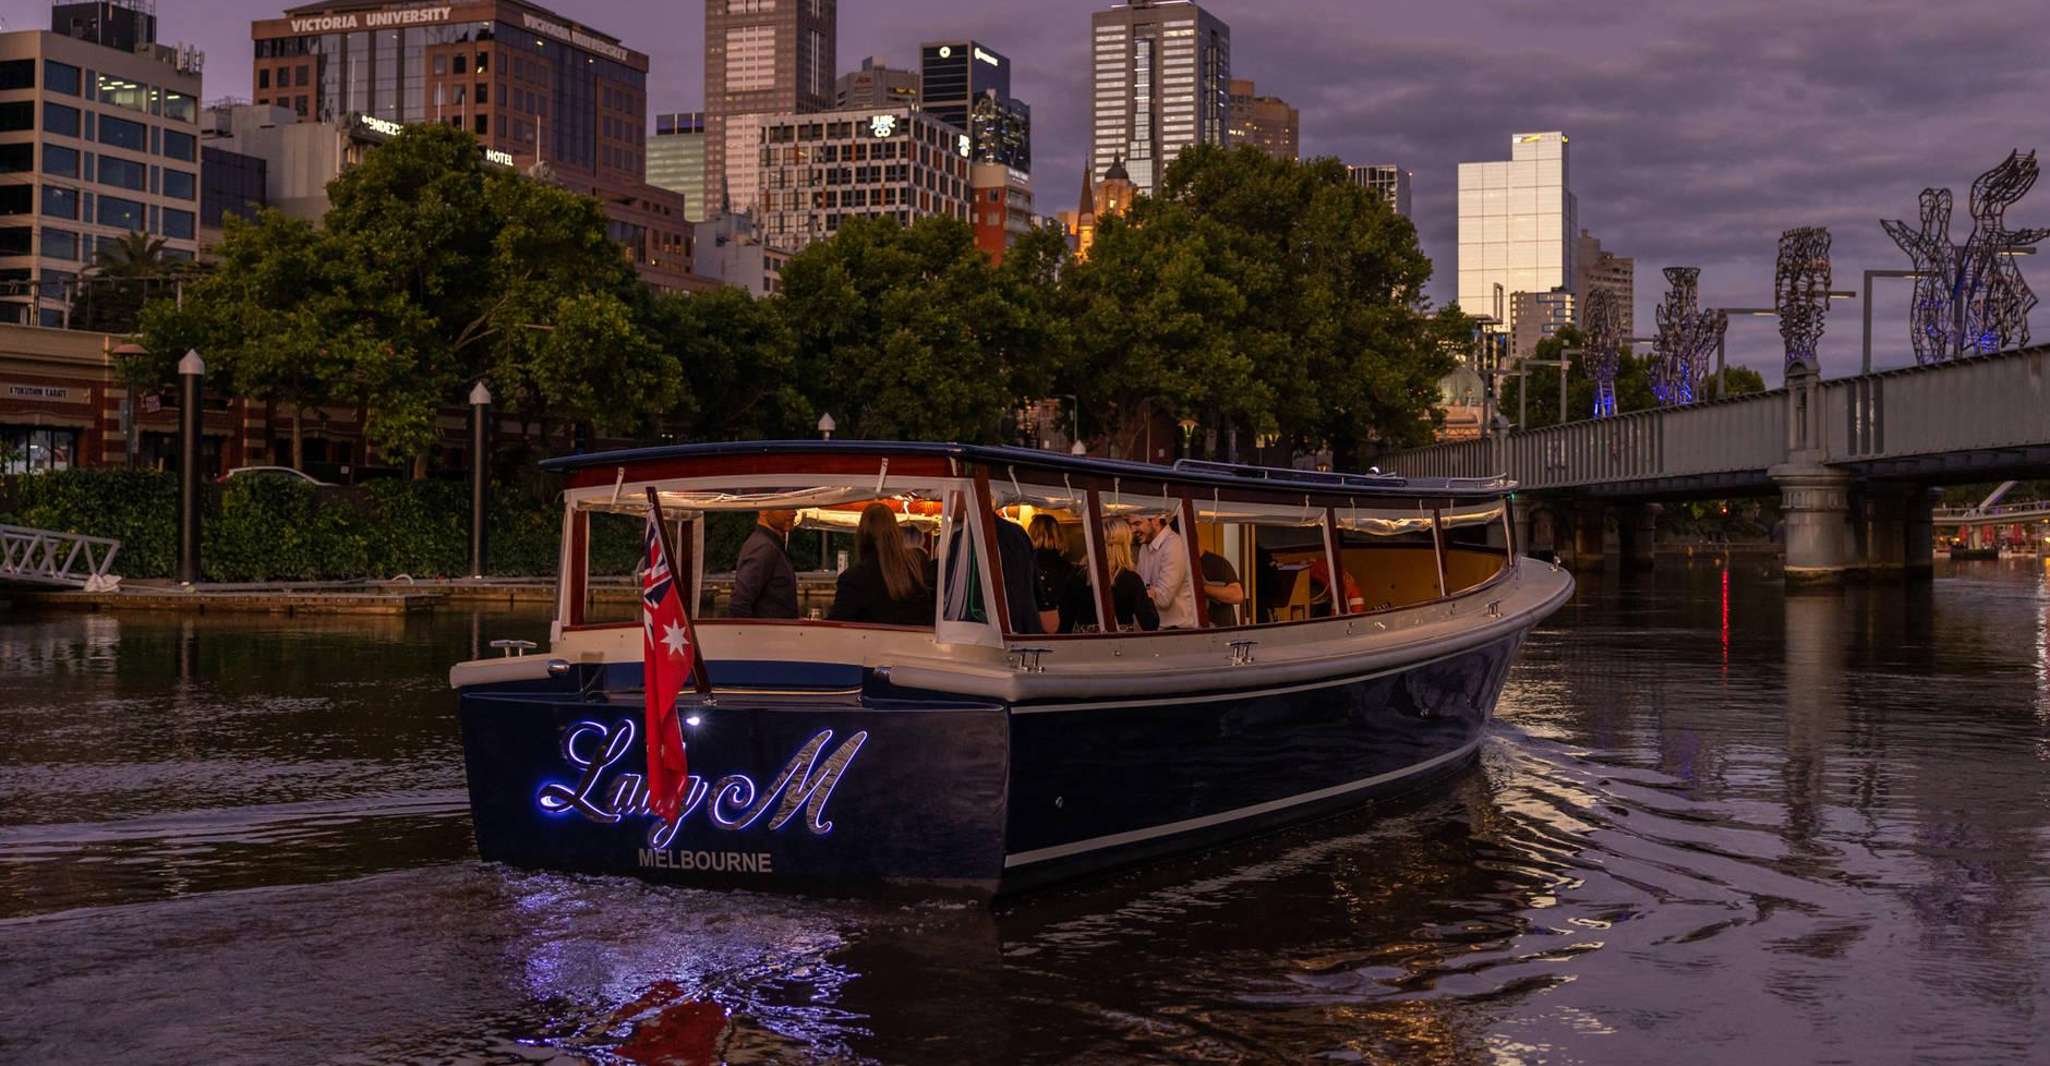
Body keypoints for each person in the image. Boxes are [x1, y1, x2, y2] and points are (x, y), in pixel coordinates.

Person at [827, 503, 935, 625]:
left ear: (861, 534)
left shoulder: (854, 578)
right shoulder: (918, 564)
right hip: (920, 642)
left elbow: (836, 624)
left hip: (873, 643)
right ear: (895, 529)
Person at [727, 508, 799, 618]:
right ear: (763, 510)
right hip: (769, 633)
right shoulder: (764, 547)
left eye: (794, 507)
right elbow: (739, 604)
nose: (794, 513)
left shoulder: (769, 545)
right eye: (785, 507)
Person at [1134, 512, 1197, 629]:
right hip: (1155, 631)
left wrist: (1140, 592)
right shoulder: (1144, 547)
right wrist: (1145, 591)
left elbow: (1163, 598)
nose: (1133, 529)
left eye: (1137, 523)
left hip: (1177, 632)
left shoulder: (1174, 544)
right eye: (1130, 524)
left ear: (1156, 520)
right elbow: (1140, 588)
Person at [1102, 517, 1159, 632]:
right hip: (1122, 643)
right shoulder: (1130, 579)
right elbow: (1150, 624)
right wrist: (1149, 598)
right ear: (1125, 544)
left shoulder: (1079, 576)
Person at [1026, 513, 1073, 634]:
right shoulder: (1067, 566)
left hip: (1033, 628)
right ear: (1058, 535)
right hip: (1065, 628)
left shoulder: (1027, 564)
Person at [1199, 550, 1244, 628]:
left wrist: (1199, 588)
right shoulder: (1178, 565)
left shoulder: (1217, 563)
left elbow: (1237, 595)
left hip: (1222, 631)